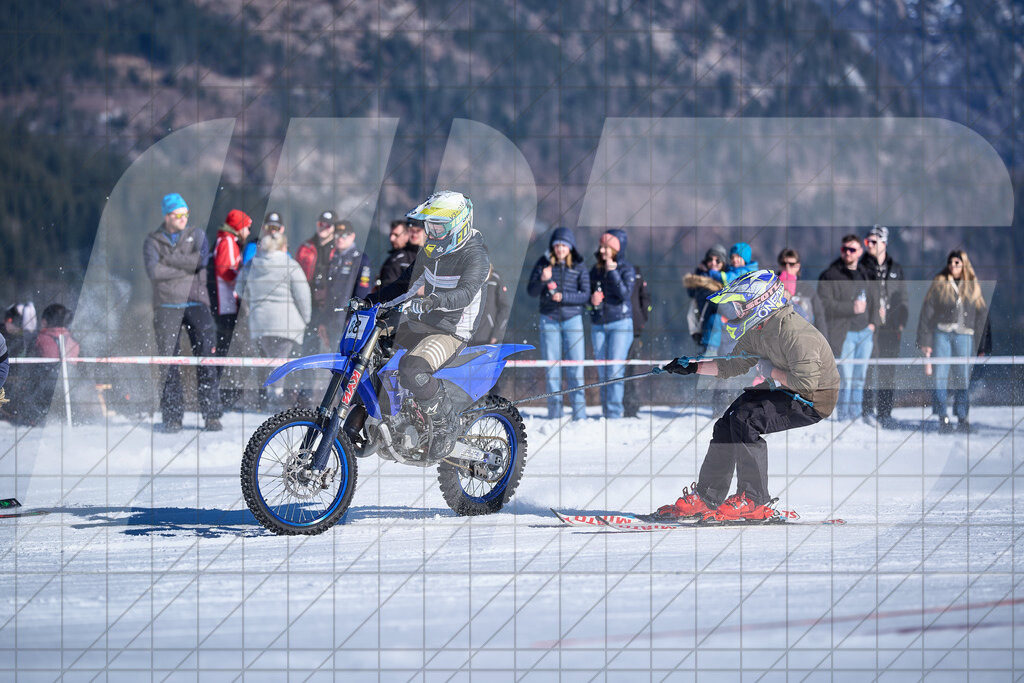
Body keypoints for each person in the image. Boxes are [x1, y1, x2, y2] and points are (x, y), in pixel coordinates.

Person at [655, 270, 839, 522]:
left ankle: (754, 500)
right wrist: (693, 367)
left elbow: (806, 383)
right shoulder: (759, 330)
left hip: (814, 398)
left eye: (742, 305)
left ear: (761, 301)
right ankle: (707, 498)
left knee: (746, 420)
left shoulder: (796, 333)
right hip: (786, 387)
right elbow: (733, 364)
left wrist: (771, 371)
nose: (738, 311)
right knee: (728, 421)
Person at [368, 190, 490, 457]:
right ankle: (390, 414)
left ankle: (446, 425)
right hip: (424, 322)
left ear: (459, 225)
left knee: (413, 368)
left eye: (439, 227)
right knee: (373, 347)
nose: (432, 232)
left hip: (453, 331)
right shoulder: (429, 253)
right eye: (430, 226)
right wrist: (369, 301)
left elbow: (465, 294)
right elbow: (404, 285)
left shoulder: (475, 256)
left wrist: (434, 301)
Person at [143, 193, 223, 432]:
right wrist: (184, 267)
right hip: (166, 306)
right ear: (167, 216)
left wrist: (169, 261)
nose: (183, 218)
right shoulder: (153, 240)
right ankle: (172, 417)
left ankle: (211, 415)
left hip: (197, 303)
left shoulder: (196, 235)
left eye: (185, 214)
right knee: (169, 363)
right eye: (178, 214)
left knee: (206, 358)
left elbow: (200, 262)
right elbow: (154, 272)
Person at [917, 250, 991, 433]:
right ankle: (942, 416)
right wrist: (925, 341)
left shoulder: (973, 286)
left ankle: (962, 416)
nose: (953, 266)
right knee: (940, 376)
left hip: (964, 335)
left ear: (964, 264)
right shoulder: (940, 283)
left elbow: (982, 316)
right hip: (942, 333)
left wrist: (982, 344)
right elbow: (927, 313)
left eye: (957, 262)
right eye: (950, 262)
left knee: (963, 377)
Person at [236, 231, 311, 410]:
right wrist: (306, 318)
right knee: (283, 361)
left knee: (268, 360)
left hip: (259, 323)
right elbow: (303, 295)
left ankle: (268, 397)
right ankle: (277, 398)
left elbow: (239, 288)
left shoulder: (251, 265)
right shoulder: (290, 265)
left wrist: (254, 302)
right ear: (283, 247)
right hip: (286, 323)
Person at [526, 227, 590, 420]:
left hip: (573, 320)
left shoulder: (579, 265)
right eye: (557, 245)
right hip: (549, 319)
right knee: (552, 369)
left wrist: (564, 297)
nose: (560, 249)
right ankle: (555, 415)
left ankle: (580, 415)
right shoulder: (543, 263)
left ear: (571, 247)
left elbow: (585, 295)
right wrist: (543, 280)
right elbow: (531, 291)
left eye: (564, 245)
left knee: (576, 368)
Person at [818, 234, 880, 421]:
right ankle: (843, 416)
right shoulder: (830, 275)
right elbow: (824, 305)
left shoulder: (865, 274)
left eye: (852, 249)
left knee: (860, 377)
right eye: (844, 249)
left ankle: (856, 415)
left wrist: (873, 323)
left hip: (865, 333)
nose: (848, 253)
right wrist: (850, 308)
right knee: (846, 377)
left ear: (860, 252)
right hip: (844, 334)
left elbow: (875, 299)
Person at [860, 225, 908, 425]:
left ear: (884, 243)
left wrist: (901, 322)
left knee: (888, 370)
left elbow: (903, 298)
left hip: (890, 328)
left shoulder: (895, 268)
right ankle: (866, 411)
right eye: (867, 241)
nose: (869, 245)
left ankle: (885, 413)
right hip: (868, 326)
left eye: (873, 241)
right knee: (867, 369)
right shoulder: (862, 267)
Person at [589, 229, 635, 419]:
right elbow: (586, 294)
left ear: (617, 249)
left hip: (620, 324)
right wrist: (592, 300)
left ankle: (614, 414)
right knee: (603, 371)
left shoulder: (626, 269)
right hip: (598, 324)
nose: (602, 250)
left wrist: (613, 272)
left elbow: (625, 294)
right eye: (601, 246)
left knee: (615, 370)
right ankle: (606, 412)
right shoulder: (595, 270)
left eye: (607, 247)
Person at [212, 209, 253, 408]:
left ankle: (226, 394)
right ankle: (225, 395)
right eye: (246, 227)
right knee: (228, 349)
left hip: (226, 304)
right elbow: (225, 271)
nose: (248, 232)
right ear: (238, 227)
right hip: (226, 304)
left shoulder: (227, 240)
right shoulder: (228, 241)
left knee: (228, 348)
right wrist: (242, 280)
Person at [296, 209, 339, 353]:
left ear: (334, 228)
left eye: (328, 225)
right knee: (308, 344)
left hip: (330, 304)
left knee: (332, 345)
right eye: (321, 224)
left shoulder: (338, 249)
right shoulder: (305, 247)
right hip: (308, 302)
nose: (324, 228)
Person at [325, 219, 373, 343]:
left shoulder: (360, 259)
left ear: (352, 236)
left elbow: (362, 292)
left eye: (345, 235)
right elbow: (329, 292)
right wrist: (323, 322)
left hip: (347, 320)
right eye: (337, 235)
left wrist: (353, 317)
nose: (340, 238)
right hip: (331, 320)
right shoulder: (334, 259)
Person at [685, 244, 728, 355]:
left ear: (723, 262)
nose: (713, 263)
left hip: (729, 330)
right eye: (710, 259)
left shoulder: (729, 278)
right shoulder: (700, 281)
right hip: (709, 329)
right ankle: (710, 352)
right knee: (714, 318)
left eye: (717, 260)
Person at [622, 264, 652, 418]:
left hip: (634, 330)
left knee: (630, 370)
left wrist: (641, 319)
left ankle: (631, 407)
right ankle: (619, 407)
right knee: (618, 370)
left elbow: (646, 299)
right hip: (616, 328)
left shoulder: (636, 272)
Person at [776, 248, 827, 336]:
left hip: (805, 335)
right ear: (779, 266)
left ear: (798, 266)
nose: (787, 268)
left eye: (791, 264)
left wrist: (824, 339)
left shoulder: (807, 289)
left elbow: (819, 316)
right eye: (783, 264)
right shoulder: (772, 288)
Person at [471, 262, 512, 346]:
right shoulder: (469, 276)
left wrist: (496, 335)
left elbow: (505, 308)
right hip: (467, 335)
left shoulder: (495, 279)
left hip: (486, 337)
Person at [377, 219, 419, 289]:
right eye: (391, 235)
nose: (391, 239)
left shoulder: (397, 260)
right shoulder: (394, 258)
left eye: (396, 235)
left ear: (407, 235)